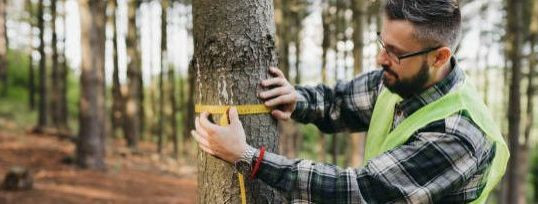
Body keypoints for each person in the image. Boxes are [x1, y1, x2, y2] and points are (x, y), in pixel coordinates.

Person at [191, 0, 509, 203]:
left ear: (439, 57)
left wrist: (249, 157)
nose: (380, 58)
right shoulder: (403, 78)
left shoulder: (458, 136)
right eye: (382, 43)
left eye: (395, 52)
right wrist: (298, 99)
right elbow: (340, 102)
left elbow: (359, 190)